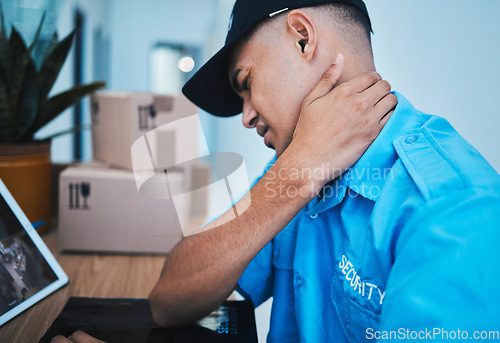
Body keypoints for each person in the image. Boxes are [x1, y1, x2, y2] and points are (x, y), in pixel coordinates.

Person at [148, 0, 500, 341]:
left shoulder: (455, 206)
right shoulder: (296, 167)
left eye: (248, 82)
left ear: (303, 37)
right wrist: (297, 174)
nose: (246, 116)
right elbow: (167, 302)